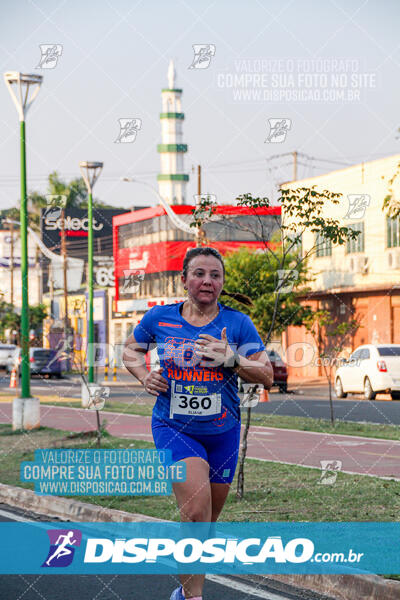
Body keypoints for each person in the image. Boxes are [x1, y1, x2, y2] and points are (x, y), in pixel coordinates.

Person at [123, 247, 273, 600]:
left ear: (222, 283)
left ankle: (184, 589)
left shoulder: (237, 323)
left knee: (205, 523)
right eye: (199, 273)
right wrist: (145, 376)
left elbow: (266, 375)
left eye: (215, 275)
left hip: (223, 432)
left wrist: (232, 359)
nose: (207, 281)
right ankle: (194, 597)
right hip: (174, 427)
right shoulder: (159, 318)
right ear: (184, 279)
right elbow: (130, 350)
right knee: (193, 512)